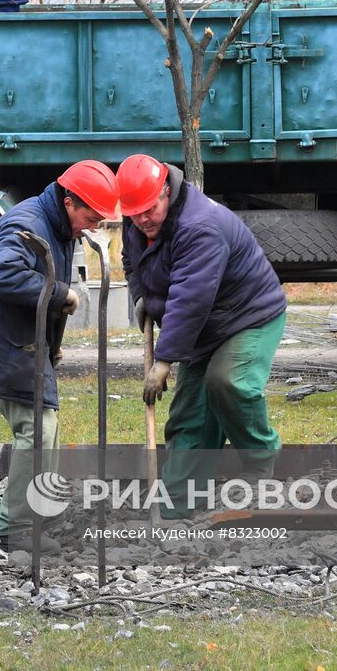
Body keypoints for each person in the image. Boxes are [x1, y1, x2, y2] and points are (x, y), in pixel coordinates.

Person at [0, 161, 120, 553]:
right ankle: (14, 529)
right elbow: (1, 274)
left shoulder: (57, 224)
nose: (93, 227)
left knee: (47, 426)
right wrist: (62, 293)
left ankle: (36, 511)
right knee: (38, 429)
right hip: (4, 345)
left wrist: (52, 341)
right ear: (69, 202)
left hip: (23, 343)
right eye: (91, 218)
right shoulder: (27, 223)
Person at [117, 154, 288, 519]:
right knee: (189, 418)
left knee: (228, 382)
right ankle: (178, 505)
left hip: (248, 316)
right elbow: (132, 262)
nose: (142, 219)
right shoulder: (136, 222)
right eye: (134, 213)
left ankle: (261, 461)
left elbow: (190, 298)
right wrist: (141, 297)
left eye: (149, 209)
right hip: (202, 328)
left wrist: (164, 361)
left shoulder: (199, 227)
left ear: (166, 191)